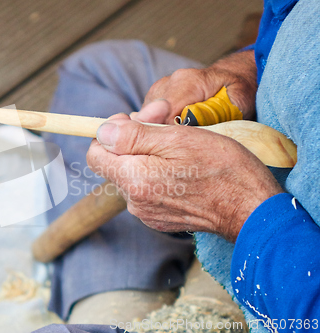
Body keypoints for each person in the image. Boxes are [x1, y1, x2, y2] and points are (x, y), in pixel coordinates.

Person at [35, 0, 320, 332]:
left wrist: (238, 212)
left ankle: (195, 313)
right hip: (274, 143)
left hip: (294, 277)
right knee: (97, 69)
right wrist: (251, 69)